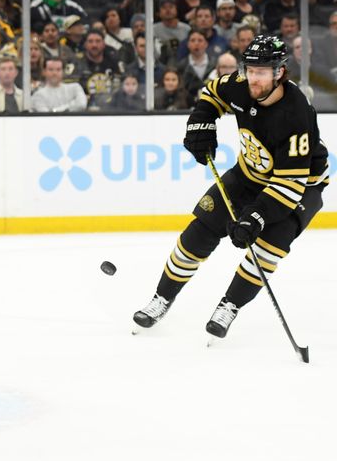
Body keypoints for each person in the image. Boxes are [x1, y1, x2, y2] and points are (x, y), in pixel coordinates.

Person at [133, 35, 329, 338]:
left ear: (280, 72)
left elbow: (290, 182)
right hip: (248, 174)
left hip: (301, 187)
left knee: (267, 250)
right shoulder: (241, 82)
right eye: (250, 69)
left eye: (262, 72)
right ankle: (162, 298)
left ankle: (229, 305)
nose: (253, 77)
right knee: (199, 231)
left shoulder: (295, 113)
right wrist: (202, 121)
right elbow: (212, 92)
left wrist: (256, 216)